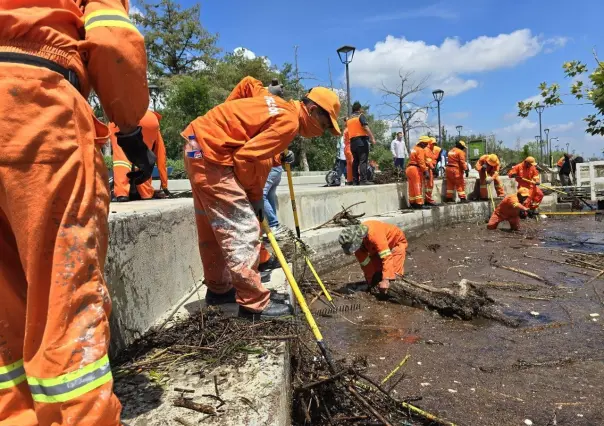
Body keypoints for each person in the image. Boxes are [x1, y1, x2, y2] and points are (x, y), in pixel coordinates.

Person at [0, 1, 150, 424]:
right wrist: (128, 120)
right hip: (37, 105)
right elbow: (112, 41)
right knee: (64, 295)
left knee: (4, 302)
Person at [181, 76, 341, 318]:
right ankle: (253, 303)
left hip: (198, 145)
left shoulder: (273, 103)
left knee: (211, 229)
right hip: (212, 155)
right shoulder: (289, 121)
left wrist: (225, 125)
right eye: (326, 125)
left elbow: (255, 145)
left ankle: (219, 290)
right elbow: (247, 158)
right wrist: (255, 196)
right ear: (312, 110)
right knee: (243, 229)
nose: (323, 133)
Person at [111, 110, 170, 201]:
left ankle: (122, 193)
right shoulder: (153, 120)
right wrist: (164, 185)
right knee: (144, 156)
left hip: (120, 117)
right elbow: (161, 155)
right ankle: (145, 192)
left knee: (121, 156)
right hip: (149, 120)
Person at [338, 221, 408, 295]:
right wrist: (370, 282)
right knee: (377, 274)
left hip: (395, 244)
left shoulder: (375, 234)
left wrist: (386, 280)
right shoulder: (358, 243)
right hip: (376, 248)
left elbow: (386, 257)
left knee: (394, 275)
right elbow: (365, 263)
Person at [262, 152, 293, 238]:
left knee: (261, 195)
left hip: (271, 169)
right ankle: (275, 227)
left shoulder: (265, 140)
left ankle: (273, 224)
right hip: (278, 169)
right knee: (269, 196)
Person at [347, 102, 376, 185]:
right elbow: (366, 127)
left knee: (355, 161)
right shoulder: (360, 116)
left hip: (352, 143)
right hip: (361, 142)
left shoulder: (349, 119)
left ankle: (355, 181)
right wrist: (372, 138)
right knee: (363, 161)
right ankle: (363, 180)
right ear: (359, 109)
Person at [406, 136, 431, 209]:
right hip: (415, 169)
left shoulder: (414, 149)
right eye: (426, 143)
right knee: (418, 186)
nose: (427, 145)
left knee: (411, 187)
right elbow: (421, 161)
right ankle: (419, 204)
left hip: (409, 169)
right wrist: (425, 171)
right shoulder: (420, 150)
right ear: (422, 143)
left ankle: (412, 203)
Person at [424, 137, 441, 206]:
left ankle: (428, 199)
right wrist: (433, 168)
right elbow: (428, 160)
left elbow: (434, 160)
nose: (433, 145)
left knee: (430, 185)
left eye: (434, 144)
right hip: (427, 169)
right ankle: (427, 200)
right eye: (432, 143)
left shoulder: (432, 150)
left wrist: (434, 168)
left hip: (430, 169)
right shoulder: (426, 150)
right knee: (427, 185)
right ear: (429, 143)